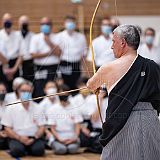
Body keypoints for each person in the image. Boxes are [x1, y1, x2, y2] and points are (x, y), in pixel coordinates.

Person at [87, 25, 160, 160]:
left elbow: (90, 85)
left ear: (122, 43)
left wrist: (98, 86)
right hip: (151, 120)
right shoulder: (153, 66)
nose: (111, 46)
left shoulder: (108, 67)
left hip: (122, 120)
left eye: (113, 41)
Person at [1, 81, 45, 157]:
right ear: (18, 92)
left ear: (32, 91)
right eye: (23, 91)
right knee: (17, 151)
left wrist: (34, 138)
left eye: (28, 91)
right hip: (17, 137)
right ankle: (24, 149)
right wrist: (19, 138)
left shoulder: (38, 107)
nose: (26, 93)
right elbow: (7, 128)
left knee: (39, 150)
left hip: (33, 138)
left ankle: (28, 149)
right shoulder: (11, 107)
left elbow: (42, 127)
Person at [30, 17, 61, 102]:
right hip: (40, 68)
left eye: (47, 24)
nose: (45, 26)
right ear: (40, 26)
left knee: (52, 91)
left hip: (53, 68)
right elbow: (33, 55)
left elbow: (58, 53)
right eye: (43, 24)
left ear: (51, 26)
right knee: (39, 90)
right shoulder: (35, 37)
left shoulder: (57, 37)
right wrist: (48, 54)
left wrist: (49, 42)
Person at [47, 85, 82, 155]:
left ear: (68, 95)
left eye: (65, 95)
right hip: (58, 137)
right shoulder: (52, 109)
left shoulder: (75, 108)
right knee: (61, 150)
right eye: (61, 95)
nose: (63, 98)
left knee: (72, 149)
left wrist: (74, 138)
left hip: (72, 137)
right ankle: (55, 144)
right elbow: (52, 128)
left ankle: (71, 144)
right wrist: (59, 139)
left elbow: (77, 126)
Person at [57, 15, 87, 90]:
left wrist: (84, 71)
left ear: (75, 24)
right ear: (64, 24)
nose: (70, 24)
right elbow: (57, 54)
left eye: (72, 22)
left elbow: (84, 54)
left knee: (76, 88)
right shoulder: (59, 36)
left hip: (76, 65)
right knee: (64, 88)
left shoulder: (81, 37)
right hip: (63, 64)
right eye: (68, 22)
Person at [0, 13, 22, 92]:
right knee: (3, 89)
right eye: (5, 20)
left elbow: (21, 55)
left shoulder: (18, 35)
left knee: (16, 89)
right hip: (2, 65)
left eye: (9, 20)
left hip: (15, 65)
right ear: (2, 22)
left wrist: (13, 70)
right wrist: (6, 69)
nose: (7, 22)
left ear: (12, 21)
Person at [18, 15, 35, 81]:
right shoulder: (16, 35)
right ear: (19, 23)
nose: (24, 24)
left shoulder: (33, 36)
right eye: (22, 22)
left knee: (30, 81)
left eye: (26, 22)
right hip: (17, 62)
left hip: (29, 63)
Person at [0, 82, 8, 150]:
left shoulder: (9, 104)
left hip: (7, 132)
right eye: (0, 91)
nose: (2, 93)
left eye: (3, 91)